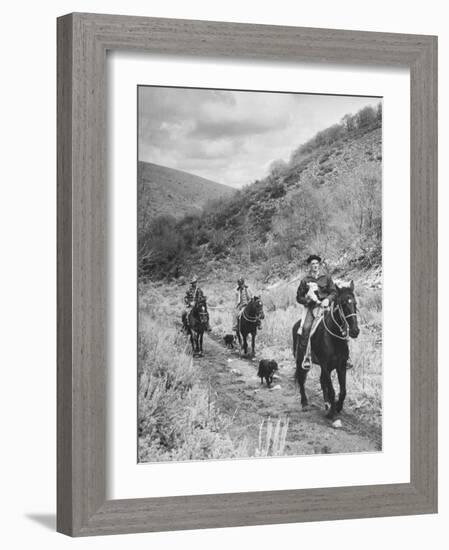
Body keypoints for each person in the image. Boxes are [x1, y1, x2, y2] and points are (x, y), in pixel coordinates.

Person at [296, 255, 336, 370]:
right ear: (310, 265)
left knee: (340, 324)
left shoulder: (326, 278)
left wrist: (328, 299)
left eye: (316, 263)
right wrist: (307, 300)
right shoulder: (305, 280)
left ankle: (345, 357)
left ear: (319, 265)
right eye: (312, 264)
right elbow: (299, 297)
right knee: (306, 328)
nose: (315, 266)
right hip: (312, 309)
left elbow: (334, 292)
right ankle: (306, 357)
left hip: (325, 308)